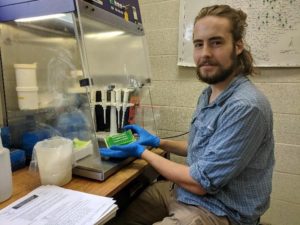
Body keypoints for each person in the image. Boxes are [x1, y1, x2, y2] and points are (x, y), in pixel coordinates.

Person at [100, 4, 274, 225]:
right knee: (117, 214)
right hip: (183, 192)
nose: (205, 54)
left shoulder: (246, 106)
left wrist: (141, 151)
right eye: (198, 44)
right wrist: (158, 142)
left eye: (216, 42)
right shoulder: (209, 93)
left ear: (238, 46)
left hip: (219, 210)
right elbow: (203, 149)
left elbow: (200, 183)